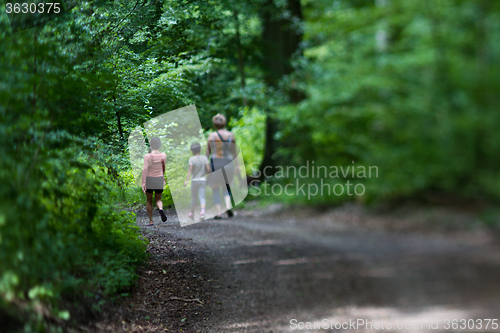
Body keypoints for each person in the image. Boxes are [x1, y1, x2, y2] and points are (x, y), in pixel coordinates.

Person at [206, 113, 240, 219]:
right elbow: (234, 153)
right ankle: (228, 206)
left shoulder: (212, 136)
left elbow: (207, 153)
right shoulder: (231, 136)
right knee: (227, 187)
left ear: (214, 124)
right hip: (228, 163)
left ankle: (218, 212)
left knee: (216, 188)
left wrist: (206, 166)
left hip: (216, 162)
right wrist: (238, 166)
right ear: (224, 123)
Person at [141, 137, 168, 226]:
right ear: (159, 145)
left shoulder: (148, 156)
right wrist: (163, 176)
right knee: (158, 199)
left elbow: (145, 169)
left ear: (151, 145)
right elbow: (163, 168)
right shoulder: (163, 155)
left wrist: (143, 182)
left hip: (150, 179)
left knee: (149, 200)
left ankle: (151, 221)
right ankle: (160, 209)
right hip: (159, 179)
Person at [184, 142, 210, 220]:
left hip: (194, 181)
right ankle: (202, 212)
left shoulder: (191, 159)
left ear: (192, 151)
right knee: (202, 197)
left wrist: (187, 180)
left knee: (194, 197)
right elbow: (208, 169)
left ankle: (192, 213)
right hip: (203, 180)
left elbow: (190, 170)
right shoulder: (205, 158)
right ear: (200, 149)